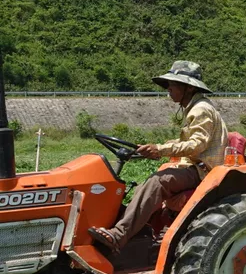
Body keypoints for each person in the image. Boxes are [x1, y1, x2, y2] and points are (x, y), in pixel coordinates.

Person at [89, 61, 229, 253]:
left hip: (202, 170)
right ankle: (143, 231)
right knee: (147, 184)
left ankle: (119, 235)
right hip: (193, 166)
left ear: (188, 87)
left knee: (157, 183)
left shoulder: (200, 109)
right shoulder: (194, 107)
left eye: (173, 85)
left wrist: (161, 149)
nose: (168, 89)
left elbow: (197, 144)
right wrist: (152, 149)